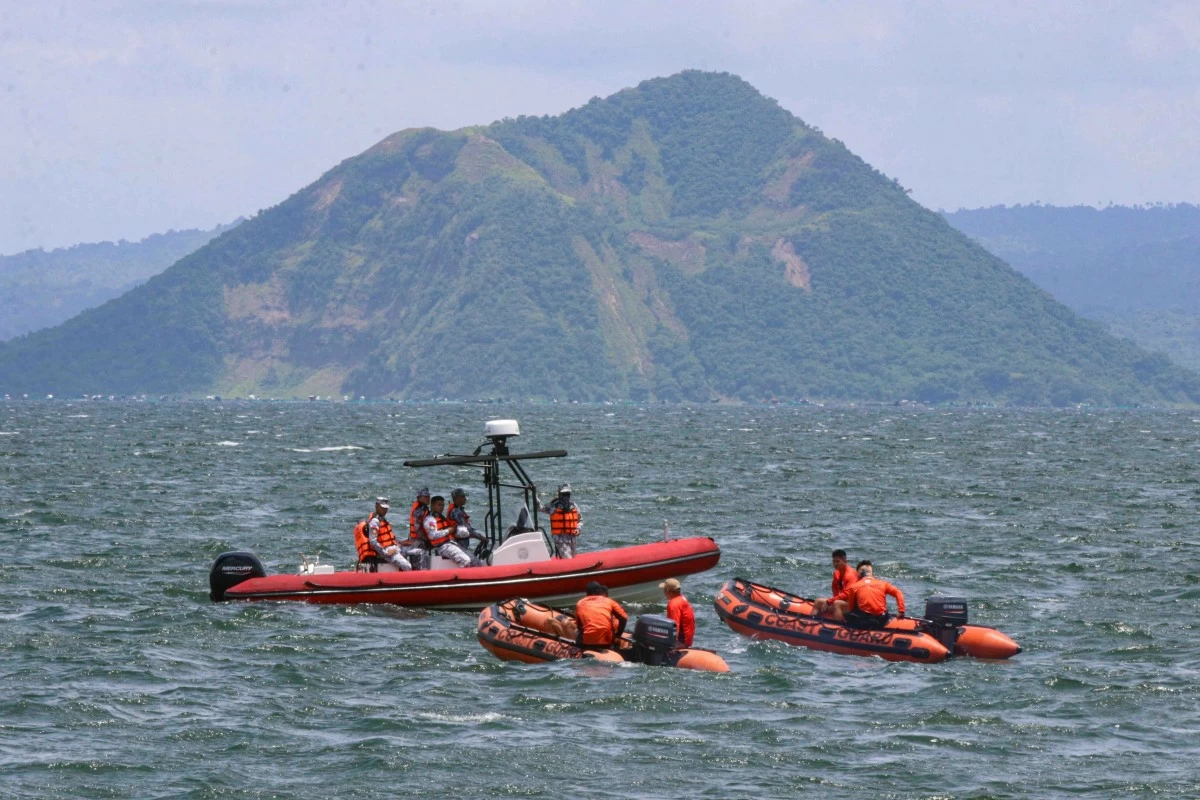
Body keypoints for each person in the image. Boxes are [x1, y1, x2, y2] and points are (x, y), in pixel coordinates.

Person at [825, 561, 905, 629]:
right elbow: (898, 593)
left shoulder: (854, 587)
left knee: (847, 615)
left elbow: (851, 608)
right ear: (871, 573)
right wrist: (901, 611)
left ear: (859, 574)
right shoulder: (884, 584)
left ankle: (839, 630)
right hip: (881, 620)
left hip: (864, 621)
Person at [354, 498, 411, 572]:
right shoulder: (375, 521)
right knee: (407, 566)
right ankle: (405, 580)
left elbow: (387, 538)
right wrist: (385, 553)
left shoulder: (382, 519)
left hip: (393, 548)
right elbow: (373, 541)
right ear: (377, 506)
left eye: (386, 508)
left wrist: (400, 543)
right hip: (386, 551)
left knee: (415, 551)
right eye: (383, 508)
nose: (385, 510)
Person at [423, 495, 479, 568]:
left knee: (475, 561)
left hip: (451, 543)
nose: (441, 507)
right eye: (439, 505)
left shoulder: (441, 517)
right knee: (465, 560)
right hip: (442, 546)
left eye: (443, 505)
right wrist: (448, 531)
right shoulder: (430, 520)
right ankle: (461, 578)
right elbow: (432, 535)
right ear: (433, 506)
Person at [574, 581, 629, 650]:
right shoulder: (609, 601)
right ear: (599, 591)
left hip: (588, 641)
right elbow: (624, 617)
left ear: (587, 593)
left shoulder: (580, 603)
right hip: (607, 639)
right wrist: (618, 634)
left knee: (578, 635)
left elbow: (579, 625)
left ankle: (580, 650)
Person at [811, 549, 859, 617]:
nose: (835, 564)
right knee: (818, 601)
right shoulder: (836, 573)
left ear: (845, 560)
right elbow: (835, 589)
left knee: (837, 604)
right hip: (844, 601)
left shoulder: (851, 575)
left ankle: (839, 626)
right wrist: (832, 600)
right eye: (833, 561)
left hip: (853, 604)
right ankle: (811, 621)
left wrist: (830, 601)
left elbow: (847, 594)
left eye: (837, 561)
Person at [540, 483, 581, 559]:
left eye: (567, 494)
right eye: (563, 494)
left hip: (572, 538)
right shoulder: (553, 506)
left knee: (573, 559)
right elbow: (540, 508)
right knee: (567, 559)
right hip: (560, 538)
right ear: (559, 494)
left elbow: (580, 520)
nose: (565, 497)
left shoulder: (574, 505)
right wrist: (534, 497)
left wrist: (578, 529)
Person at [447, 487, 487, 555]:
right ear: (456, 498)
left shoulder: (458, 510)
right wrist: (482, 538)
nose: (465, 498)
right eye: (462, 496)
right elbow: (468, 530)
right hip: (458, 544)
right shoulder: (456, 512)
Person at [660, 577, 695, 648]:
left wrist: (673, 644)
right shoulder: (682, 598)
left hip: (681, 641)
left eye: (664, 590)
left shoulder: (673, 604)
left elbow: (675, 625)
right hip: (687, 640)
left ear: (667, 591)